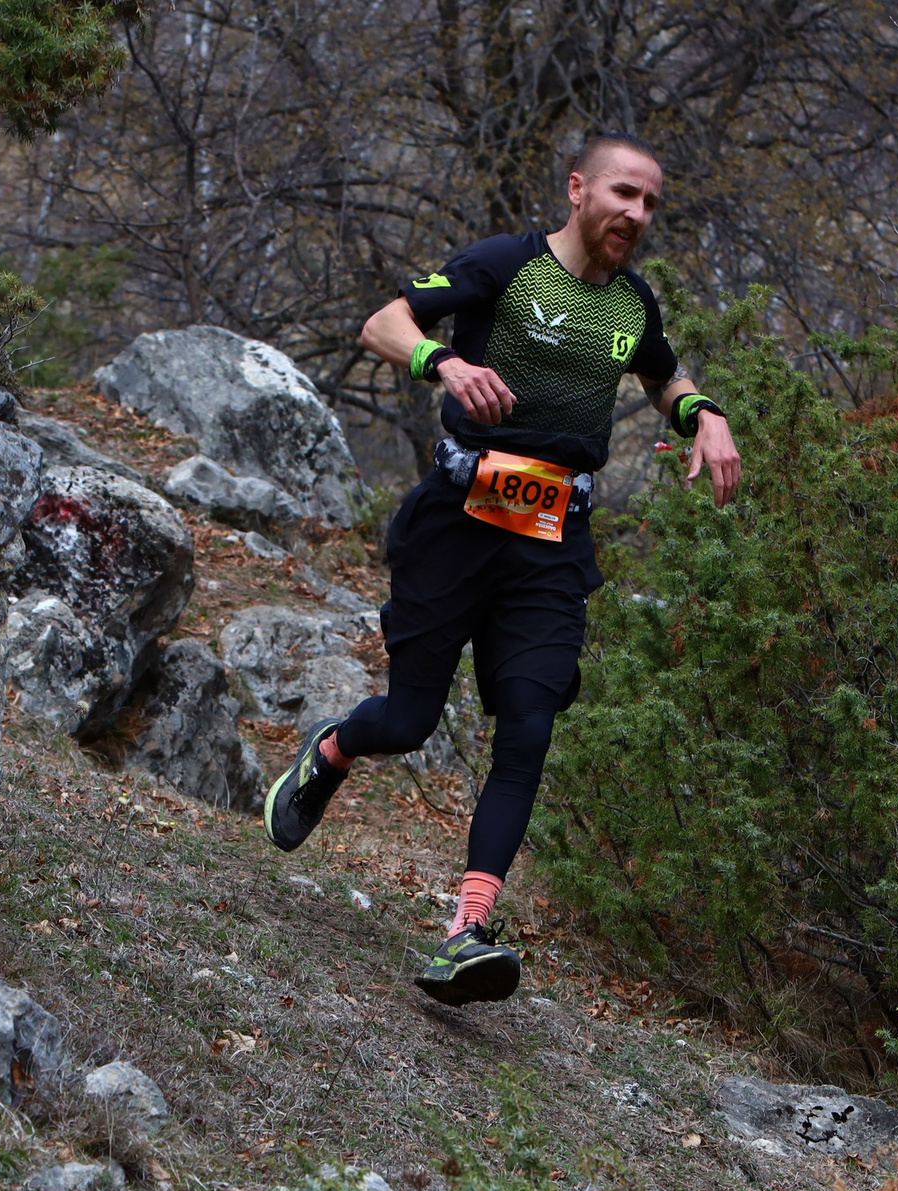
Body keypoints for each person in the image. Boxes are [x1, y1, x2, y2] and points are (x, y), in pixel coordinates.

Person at [264, 132, 743, 1005]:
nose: (636, 215)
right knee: (408, 719)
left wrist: (703, 414)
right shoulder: (505, 265)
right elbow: (386, 321)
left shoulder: (633, 305)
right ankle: (330, 750)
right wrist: (441, 360)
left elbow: (664, 377)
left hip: (552, 541)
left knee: (528, 726)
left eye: (651, 205)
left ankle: (466, 931)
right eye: (624, 195)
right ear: (578, 190)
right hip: (458, 521)